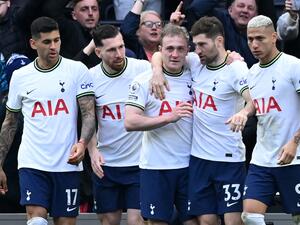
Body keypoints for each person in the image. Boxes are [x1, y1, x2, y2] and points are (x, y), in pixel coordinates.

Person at [0, 16, 95, 225]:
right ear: (33, 43)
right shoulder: (21, 76)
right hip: (32, 162)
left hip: (67, 163)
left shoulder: (77, 70)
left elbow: (88, 114)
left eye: (57, 40)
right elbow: (10, 122)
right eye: (47, 42)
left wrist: (82, 143)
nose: (54, 46)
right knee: (37, 221)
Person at [124, 23, 197, 225]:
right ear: (160, 50)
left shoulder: (197, 73)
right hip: (156, 166)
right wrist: (168, 117)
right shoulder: (144, 80)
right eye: (169, 48)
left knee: (195, 221)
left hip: (191, 165)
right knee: (157, 223)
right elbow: (130, 121)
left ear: (188, 51)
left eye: (180, 49)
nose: (174, 54)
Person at [87, 24, 151, 225]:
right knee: (108, 221)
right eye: (111, 49)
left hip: (139, 162)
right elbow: (88, 117)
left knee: (136, 221)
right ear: (98, 52)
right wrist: (92, 151)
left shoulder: (142, 69)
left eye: (121, 47)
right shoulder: (90, 77)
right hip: (107, 164)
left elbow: (164, 61)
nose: (119, 53)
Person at [241, 15, 300, 225]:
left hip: (295, 157)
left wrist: (295, 142)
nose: (254, 45)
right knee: (250, 217)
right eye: (250, 39)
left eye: (260, 38)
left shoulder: (293, 66)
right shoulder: (251, 73)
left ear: (274, 37)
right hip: (262, 158)